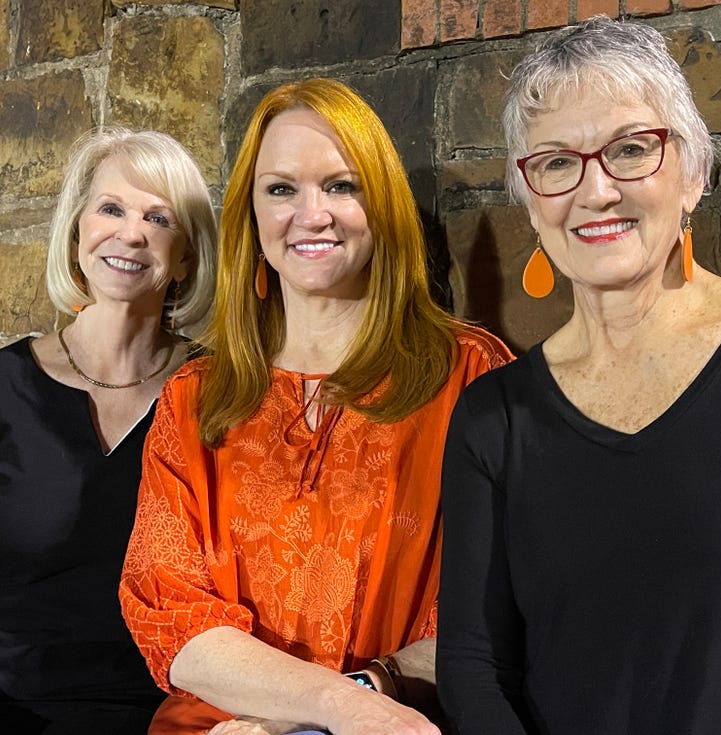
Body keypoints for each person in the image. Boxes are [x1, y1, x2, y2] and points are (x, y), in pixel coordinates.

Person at [436, 15, 721, 735]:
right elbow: (475, 668)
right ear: (531, 198)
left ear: (694, 173)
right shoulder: (493, 416)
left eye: (631, 149)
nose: (596, 190)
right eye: (556, 162)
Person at [118, 77, 512, 735]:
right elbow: (172, 612)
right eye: (281, 189)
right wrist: (329, 706)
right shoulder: (194, 398)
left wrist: (350, 702)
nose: (312, 213)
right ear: (251, 216)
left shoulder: (469, 375)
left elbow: (495, 612)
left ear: (380, 205)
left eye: (341, 185)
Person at [0, 127, 218, 735]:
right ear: (77, 235)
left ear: (185, 257)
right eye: (111, 208)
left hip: (156, 719)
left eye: (159, 218)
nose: (131, 233)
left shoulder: (218, 393)